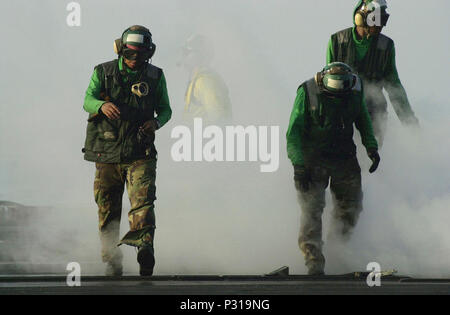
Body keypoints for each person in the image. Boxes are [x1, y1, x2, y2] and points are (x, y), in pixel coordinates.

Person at [82, 25, 172, 276]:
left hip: (139, 152)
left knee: (143, 203)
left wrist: (156, 122)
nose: (135, 61)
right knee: (107, 208)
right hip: (106, 153)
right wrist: (101, 106)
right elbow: (87, 100)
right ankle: (112, 258)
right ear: (121, 50)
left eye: (140, 56)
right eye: (130, 55)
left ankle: (145, 249)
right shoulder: (103, 72)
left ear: (148, 53)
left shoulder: (155, 76)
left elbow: (166, 110)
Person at [286, 62, 380, 275]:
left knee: (352, 205)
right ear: (322, 82)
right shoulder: (307, 92)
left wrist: (371, 148)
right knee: (312, 209)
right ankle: (313, 262)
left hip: (344, 157)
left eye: (343, 87)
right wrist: (298, 166)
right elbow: (294, 133)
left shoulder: (355, 91)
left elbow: (363, 120)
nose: (339, 93)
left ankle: (339, 251)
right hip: (312, 158)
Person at [327, 0, 419, 146]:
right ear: (360, 18)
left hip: (374, 117)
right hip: (343, 116)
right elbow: (329, 86)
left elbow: (395, 88)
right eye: (377, 19)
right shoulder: (337, 42)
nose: (381, 25)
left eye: (384, 19)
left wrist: (411, 124)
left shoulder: (386, 47)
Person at [180, 34, 232, 125]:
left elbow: (219, 119)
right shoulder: (198, 78)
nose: (184, 57)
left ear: (199, 55)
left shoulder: (205, 82)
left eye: (187, 52)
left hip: (203, 137)